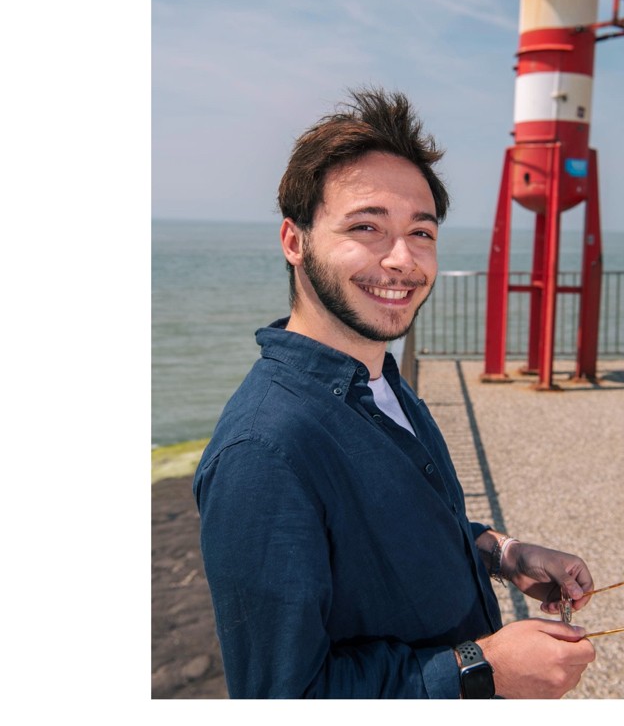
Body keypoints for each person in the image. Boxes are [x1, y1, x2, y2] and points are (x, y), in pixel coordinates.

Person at [193, 87, 597, 699]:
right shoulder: (263, 450)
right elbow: (283, 697)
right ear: (294, 241)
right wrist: (482, 666)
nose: (403, 260)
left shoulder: (380, 378)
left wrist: (502, 553)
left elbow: (392, 535)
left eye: (421, 232)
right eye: (366, 227)